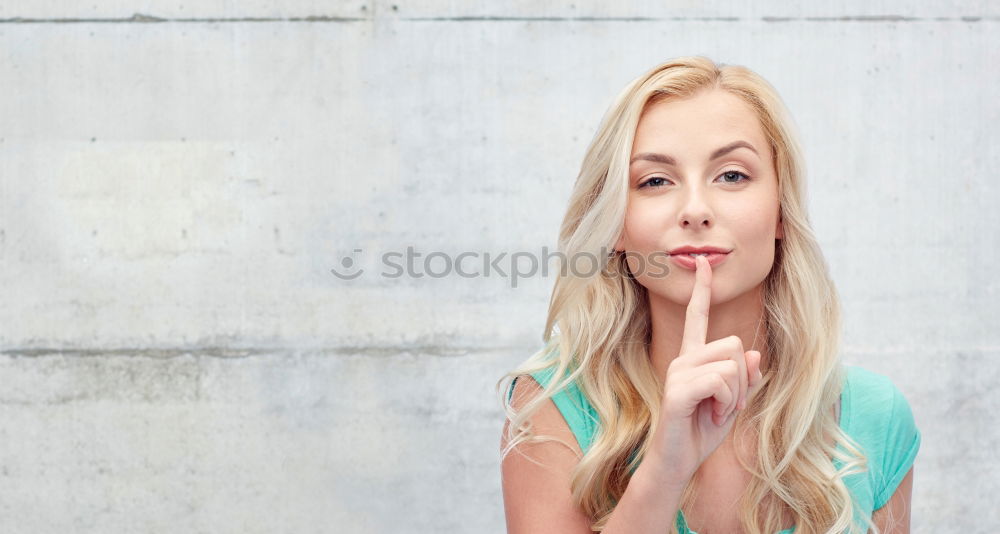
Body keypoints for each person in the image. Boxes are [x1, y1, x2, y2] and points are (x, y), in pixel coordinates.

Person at [497, 56, 921, 534]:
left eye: (733, 175)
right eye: (655, 181)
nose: (695, 210)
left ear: (781, 211)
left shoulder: (875, 416)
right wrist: (664, 469)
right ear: (615, 224)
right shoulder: (552, 405)